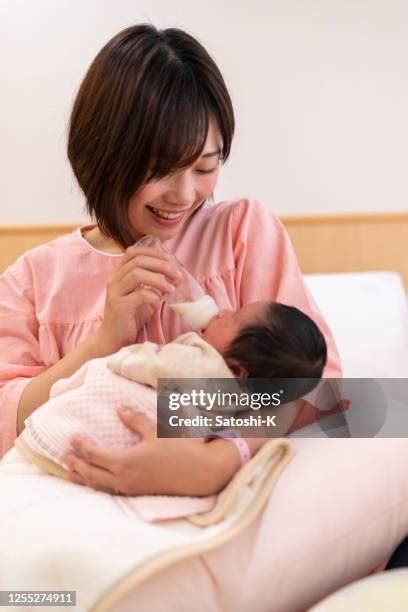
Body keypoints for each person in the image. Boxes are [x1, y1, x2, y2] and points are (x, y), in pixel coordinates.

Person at [0, 24, 341, 498]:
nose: (184, 195)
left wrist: (217, 460)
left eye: (205, 167)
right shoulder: (31, 281)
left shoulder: (241, 233)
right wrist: (102, 342)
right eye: (160, 169)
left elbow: (327, 390)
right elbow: (6, 425)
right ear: (103, 155)